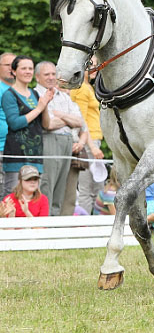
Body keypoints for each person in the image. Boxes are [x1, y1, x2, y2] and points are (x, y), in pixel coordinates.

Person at [34, 61, 86, 216]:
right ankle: (44, 220)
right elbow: (48, 124)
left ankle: (55, 221)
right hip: (49, 140)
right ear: (37, 77)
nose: (51, 77)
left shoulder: (63, 96)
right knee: (47, 183)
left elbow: (80, 122)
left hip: (67, 142)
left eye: (53, 74)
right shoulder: (35, 94)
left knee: (61, 187)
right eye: (46, 74)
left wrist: (60, 115)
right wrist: (69, 120)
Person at [1, 56, 53, 196]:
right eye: (23, 68)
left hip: (36, 156)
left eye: (30, 68)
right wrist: (39, 108)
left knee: (34, 198)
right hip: (16, 156)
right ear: (14, 71)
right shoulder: (9, 95)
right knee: (13, 197)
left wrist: (45, 105)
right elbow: (14, 123)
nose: (28, 71)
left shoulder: (35, 94)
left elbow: (46, 125)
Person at [70, 57, 105, 214]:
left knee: (96, 187)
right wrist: (92, 146)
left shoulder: (87, 87)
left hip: (94, 141)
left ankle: (95, 221)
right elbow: (81, 121)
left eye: (96, 65)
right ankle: (85, 223)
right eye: (90, 64)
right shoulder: (81, 88)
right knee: (88, 189)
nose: (94, 68)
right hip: (89, 142)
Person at [0, 52, 13, 191]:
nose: (11, 68)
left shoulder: (20, 90)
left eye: (14, 65)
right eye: (7, 65)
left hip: (16, 149)